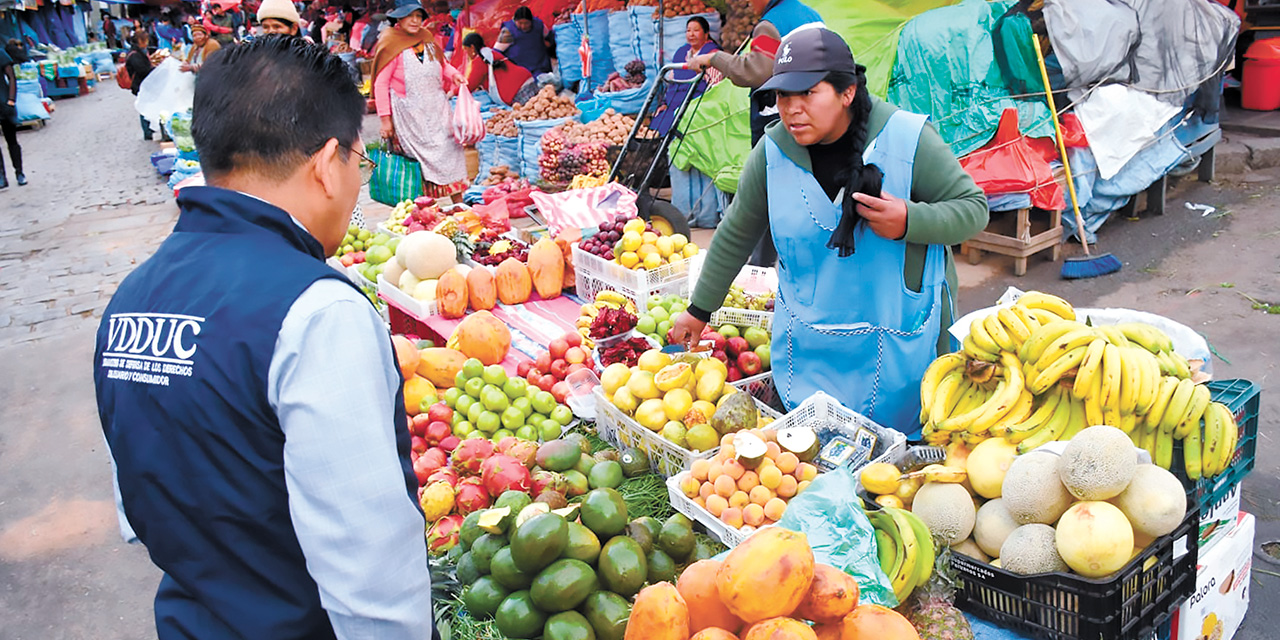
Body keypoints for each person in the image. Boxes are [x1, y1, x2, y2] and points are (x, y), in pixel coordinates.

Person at [94, 35, 436, 640]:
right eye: (361, 160)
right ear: (329, 164)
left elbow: (136, 509)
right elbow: (372, 577)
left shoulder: (132, 298)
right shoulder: (317, 310)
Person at [670, 28, 988, 436]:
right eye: (783, 96)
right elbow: (735, 234)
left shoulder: (908, 140)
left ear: (847, 92)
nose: (792, 109)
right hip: (810, 354)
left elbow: (973, 209)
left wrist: (909, 220)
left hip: (899, 354)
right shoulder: (772, 154)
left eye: (808, 93)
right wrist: (698, 311)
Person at [689, 0, 823, 266]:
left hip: (779, 120)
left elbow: (756, 70)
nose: (746, 3)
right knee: (793, 191)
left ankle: (759, 267)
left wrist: (715, 58)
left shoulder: (771, 24)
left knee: (768, 190)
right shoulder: (809, 14)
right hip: (811, 115)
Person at [373, 0, 468, 202]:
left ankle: (459, 206)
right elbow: (381, 84)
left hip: (437, 109)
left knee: (450, 151)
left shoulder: (426, 38)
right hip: (410, 115)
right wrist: (385, 120)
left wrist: (454, 75)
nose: (415, 21)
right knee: (419, 162)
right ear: (399, 17)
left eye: (418, 16)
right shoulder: (390, 42)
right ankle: (425, 211)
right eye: (410, 16)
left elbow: (443, 65)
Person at [651, 16, 722, 137]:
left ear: (706, 34)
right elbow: (671, 83)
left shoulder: (712, 55)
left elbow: (716, 89)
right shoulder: (681, 53)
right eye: (688, 31)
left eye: (696, 30)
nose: (691, 34)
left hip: (695, 108)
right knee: (656, 126)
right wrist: (664, 103)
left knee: (675, 129)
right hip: (674, 106)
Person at [462, 32, 537, 108]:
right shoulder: (491, 53)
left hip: (516, 90)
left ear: (472, 47)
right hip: (526, 78)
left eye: (466, 49)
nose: (466, 53)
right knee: (537, 106)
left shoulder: (479, 60)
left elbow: (471, 84)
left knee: (530, 110)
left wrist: (453, 92)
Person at [494, 6, 553, 78]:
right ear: (515, 21)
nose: (523, 26)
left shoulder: (539, 25)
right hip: (521, 74)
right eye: (520, 23)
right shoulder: (507, 32)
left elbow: (549, 38)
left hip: (542, 68)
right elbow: (496, 52)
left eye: (526, 23)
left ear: (531, 21)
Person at [125, 32, 157, 140]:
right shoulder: (135, 55)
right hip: (140, 85)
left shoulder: (139, 52)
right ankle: (148, 132)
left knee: (147, 105)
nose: (146, 43)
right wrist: (156, 68)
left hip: (143, 84)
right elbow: (143, 70)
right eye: (145, 41)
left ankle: (150, 129)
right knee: (144, 107)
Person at [0, 41, 23, 188]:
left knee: (11, 140)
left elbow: (11, 76)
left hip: (3, 103)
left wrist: (11, 100)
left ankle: (19, 172)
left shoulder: (1, 53)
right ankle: (2, 176)